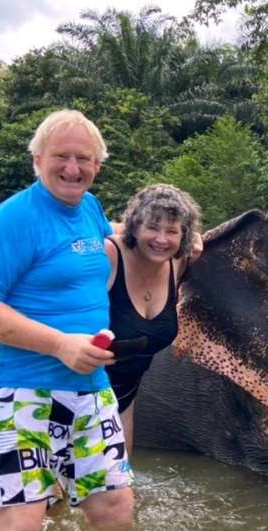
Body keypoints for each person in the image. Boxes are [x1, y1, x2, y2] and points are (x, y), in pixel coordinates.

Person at [0, 109, 134, 531]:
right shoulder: (12, 219)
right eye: (61, 156)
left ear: (98, 165)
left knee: (115, 508)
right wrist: (60, 344)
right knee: (20, 526)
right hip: (18, 390)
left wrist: (177, 237)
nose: (73, 168)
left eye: (84, 158)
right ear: (37, 159)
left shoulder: (89, 208)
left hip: (91, 389)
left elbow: (105, 237)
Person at [104, 184, 202, 456]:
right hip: (74, 394)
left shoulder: (178, 263)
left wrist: (197, 239)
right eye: (152, 227)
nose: (161, 239)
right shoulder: (108, 255)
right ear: (134, 227)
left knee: (120, 495)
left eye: (172, 231)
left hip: (124, 402)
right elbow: (71, 235)